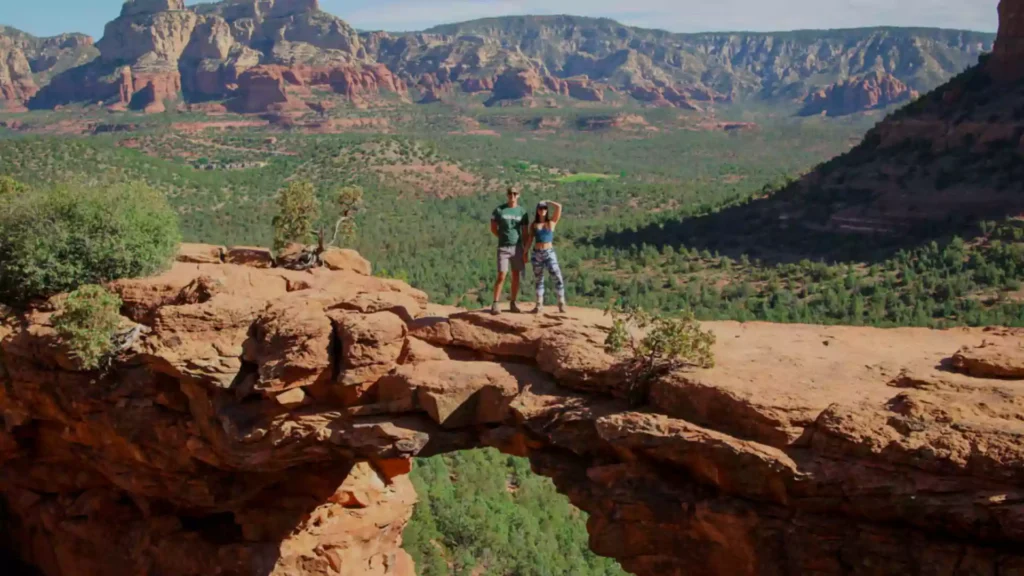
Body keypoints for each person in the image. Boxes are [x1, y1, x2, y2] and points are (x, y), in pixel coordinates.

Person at [490, 187, 529, 315]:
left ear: (518, 195)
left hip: (517, 247)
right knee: (502, 275)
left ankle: (513, 302)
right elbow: (493, 228)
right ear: (507, 195)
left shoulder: (522, 212)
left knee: (516, 275)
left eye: (514, 193)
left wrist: (525, 250)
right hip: (503, 247)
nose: (512, 195)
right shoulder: (499, 210)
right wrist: (502, 237)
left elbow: (525, 233)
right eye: (510, 193)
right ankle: (495, 303)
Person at [526, 200, 566, 314]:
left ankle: (561, 302)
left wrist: (548, 202)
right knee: (539, 279)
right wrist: (525, 252)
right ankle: (539, 304)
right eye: (540, 208)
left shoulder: (551, 222)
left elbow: (559, 207)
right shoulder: (533, 225)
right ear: (537, 210)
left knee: (557, 276)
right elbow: (529, 240)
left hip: (549, 252)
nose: (542, 210)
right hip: (537, 253)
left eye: (544, 208)